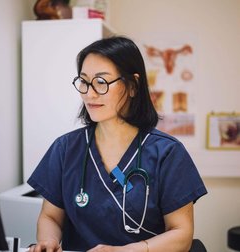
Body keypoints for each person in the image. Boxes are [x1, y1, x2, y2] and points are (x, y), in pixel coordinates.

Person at [27, 36, 207, 252]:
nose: (89, 93)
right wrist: (49, 240)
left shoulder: (167, 153)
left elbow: (182, 234)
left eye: (101, 82)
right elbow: (50, 217)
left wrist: (125, 251)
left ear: (133, 86)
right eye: (84, 82)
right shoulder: (65, 149)